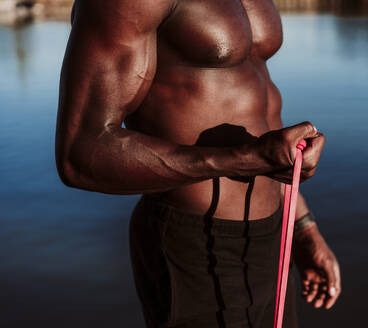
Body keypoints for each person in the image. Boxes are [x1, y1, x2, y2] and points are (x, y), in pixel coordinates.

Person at [55, 0, 341, 327]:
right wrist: (242, 160)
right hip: (197, 246)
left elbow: (255, 109)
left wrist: (303, 227)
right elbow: (80, 153)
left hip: (275, 238)